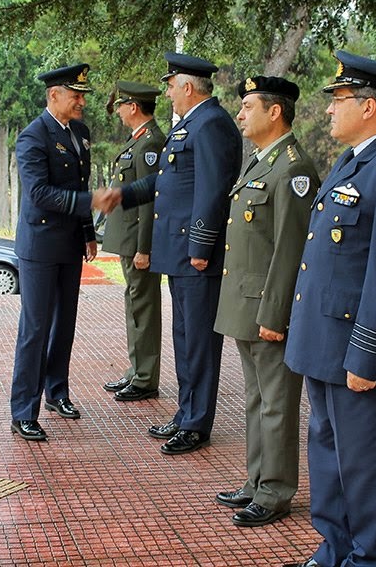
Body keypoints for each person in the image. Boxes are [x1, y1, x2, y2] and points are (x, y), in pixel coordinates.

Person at [282, 52, 376, 567]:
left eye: (338, 100)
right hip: (325, 343)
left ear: (368, 106)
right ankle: (334, 551)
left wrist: (367, 358)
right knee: (327, 458)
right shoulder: (352, 161)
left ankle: (366, 560)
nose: (329, 111)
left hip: (358, 351)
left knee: (364, 469)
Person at [106, 52, 242, 455]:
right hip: (178, 252)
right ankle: (186, 413)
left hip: (195, 253)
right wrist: (123, 195)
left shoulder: (212, 124)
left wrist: (201, 245)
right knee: (184, 337)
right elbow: (164, 182)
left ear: (187, 87)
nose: (166, 93)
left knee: (199, 340)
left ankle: (198, 422)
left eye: (170, 86)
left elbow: (213, 191)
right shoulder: (191, 126)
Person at [213, 76, 320, 527]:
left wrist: (276, 313)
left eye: (248, 106)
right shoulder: (262, 161)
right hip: (245, 304)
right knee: (256, 400)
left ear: (274, 112)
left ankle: (275, 491)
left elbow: (290, 249)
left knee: (276, 403)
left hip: (266, 308)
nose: (240, 114)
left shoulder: (292, 169)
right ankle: (257, 479)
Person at [10, 63, 110, 442]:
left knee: (64, 324)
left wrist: (88, 232)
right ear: (54, 96)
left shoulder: (79, 132)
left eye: (82, 95)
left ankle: (57, 392)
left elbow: (78, 181)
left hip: (69, 242)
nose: (82, 101)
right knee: (35, 329)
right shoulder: (33, 137)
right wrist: (89, 201)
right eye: (76, 95)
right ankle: (23, 410)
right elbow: (39, 194)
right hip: (40, 245)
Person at [100, 81, 165, 402]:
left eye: (122, 104)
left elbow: (150, 199)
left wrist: (144, 247)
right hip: (128, 240)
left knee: (143, 307)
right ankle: (136, 369)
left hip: (138, 243)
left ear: (134, 107)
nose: (119, 110)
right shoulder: (137, 141)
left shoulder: (150, 144)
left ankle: (145, 377)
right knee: (135, 305)